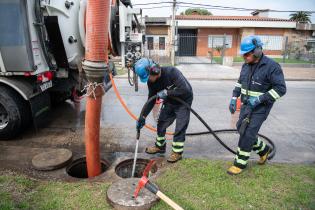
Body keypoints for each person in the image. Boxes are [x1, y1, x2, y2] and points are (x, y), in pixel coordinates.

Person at [228, 35, 286, 175]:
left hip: (261, 107)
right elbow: (239, 82)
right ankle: (264, 150)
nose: (245, 57)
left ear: (258, 50)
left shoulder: (271, 66)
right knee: (241, 128)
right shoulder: (245, 65)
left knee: (248, 134)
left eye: (247, 54)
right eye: (243, 54)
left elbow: (281, 89)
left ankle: (240, 163)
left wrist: (260, 99)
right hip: (246, 104)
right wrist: (234, 97)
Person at [135, 58, 193, 163]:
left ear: (155, 70)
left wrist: (167, 92)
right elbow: (151, 100)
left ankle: (177, 152)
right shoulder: (151, 83)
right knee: (161, 122)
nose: (149, 80)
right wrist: (142, 116)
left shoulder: (172, 72)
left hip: (183, 101)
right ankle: (160, 146)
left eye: (149, 77)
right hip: (170, 101)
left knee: (180, 127)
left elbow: (185, 90)